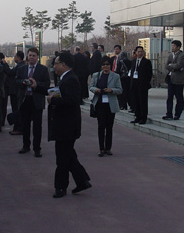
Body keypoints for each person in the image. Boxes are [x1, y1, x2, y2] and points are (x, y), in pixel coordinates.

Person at [47, 52, 91, 198]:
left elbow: (72, 101)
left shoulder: (71, 79)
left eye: (56, 64)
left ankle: (61, 187)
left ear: (64, 64)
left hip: (67, 125)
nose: (54, 67)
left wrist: (53, 101)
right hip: (64, 125)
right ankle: (82, 181)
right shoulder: (66, 78)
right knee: (68, 155)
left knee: (62, 158)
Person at [15, 47, 50, 157]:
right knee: (25, 125)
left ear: (37, 57)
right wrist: (23, 82)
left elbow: (47, 85)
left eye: (34, 56)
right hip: (25, 99)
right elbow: (16, 81)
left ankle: (37, 148)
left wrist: (36, 85)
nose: (31, 57)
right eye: (30, 55)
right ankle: (26, 146)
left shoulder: (43, 69)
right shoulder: (22, 69)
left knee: (37, 126)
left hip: (37, 100)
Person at [90, 56, 123, 156]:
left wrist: (111, 90)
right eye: (104, 64)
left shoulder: (115, 76)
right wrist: (96, 90)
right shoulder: (96, 75)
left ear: (110, 65)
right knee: (101, 126)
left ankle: (108, 148)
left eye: (107, 64)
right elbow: (91, 87)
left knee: (109, 127)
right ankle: (101, 149)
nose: (105, 66)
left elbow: (120, 90)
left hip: (110, 104)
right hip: (99, 104)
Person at [162, 40, 184, 121]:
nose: (172, 47)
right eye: (172, 46)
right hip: (170, 78)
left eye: (174, 46)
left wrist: (171, 66)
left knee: (179, 97)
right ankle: (169, 113)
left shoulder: (181, 55)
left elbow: (179, 65)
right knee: (169, 97)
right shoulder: (170, 55)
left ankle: (177, 114)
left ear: (178, 47)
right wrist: (173, 67)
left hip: (178, 80)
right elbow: (166, 65)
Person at [129, 46, 153, 124]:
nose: (140, 53)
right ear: (135, 52)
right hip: (134, 84)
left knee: (142, 101)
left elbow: (149, 74)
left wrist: (145, 83)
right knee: (136, 101)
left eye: (141, 51)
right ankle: (137, 116)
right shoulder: (133, 61)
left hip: (142, 85)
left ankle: (143, 118)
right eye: (138, 51)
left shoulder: (146, 62)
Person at [8, 51, 26, 135]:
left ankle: (19, 127)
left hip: (16, 92)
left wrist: (5, 65)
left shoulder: (19, 66)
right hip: (16, 91)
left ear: (18, 57)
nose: (14, 58)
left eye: (15, 56)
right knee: (16, 109)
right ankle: (17, 127)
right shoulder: (20, 66)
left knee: (17, 109)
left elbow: (10, 73)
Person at [111, 45, 130, 110]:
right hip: (114, 74)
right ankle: (119, 103)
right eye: (115, 49)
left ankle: (122, 104)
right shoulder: (113, 58)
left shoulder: (124, 60)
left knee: (122, 91)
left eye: (117, 49)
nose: (116, 50)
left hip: (122, 77)